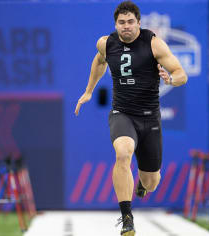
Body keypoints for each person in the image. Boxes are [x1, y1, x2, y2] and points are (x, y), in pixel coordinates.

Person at [74, 1, 187, 235]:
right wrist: (88, 90)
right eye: (121, 22)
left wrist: (170, 80)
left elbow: (181, 74)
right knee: (123, 153)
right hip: (122, 113)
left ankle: (142, 185)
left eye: (130, 22)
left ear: (139, 23)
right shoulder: (106, 43)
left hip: (149, 117)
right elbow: (98, 62)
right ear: (115, 24)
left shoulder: (153, 44)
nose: (126, 26)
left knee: (151, 182)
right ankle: (127, 218)